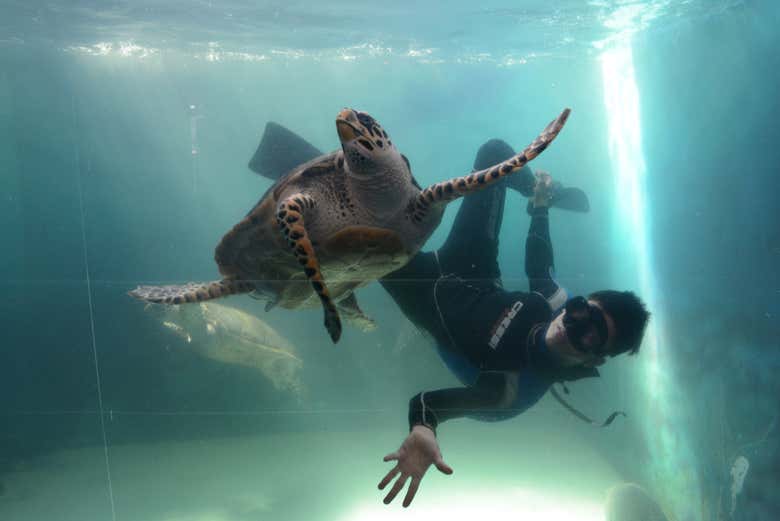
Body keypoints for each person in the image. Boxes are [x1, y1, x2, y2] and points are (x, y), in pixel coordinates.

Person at [376, 139, 650, 507]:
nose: (573, 325)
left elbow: (428, 404)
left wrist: (423, 429)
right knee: (494, 156)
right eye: (583, 310)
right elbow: (539, 262)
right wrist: (540, 207)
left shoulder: (507, 391)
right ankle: (537, 188)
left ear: (593, 360)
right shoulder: (557, 303)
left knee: (369, 236)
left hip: (426, 302)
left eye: (591, 335)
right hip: (473, 269)